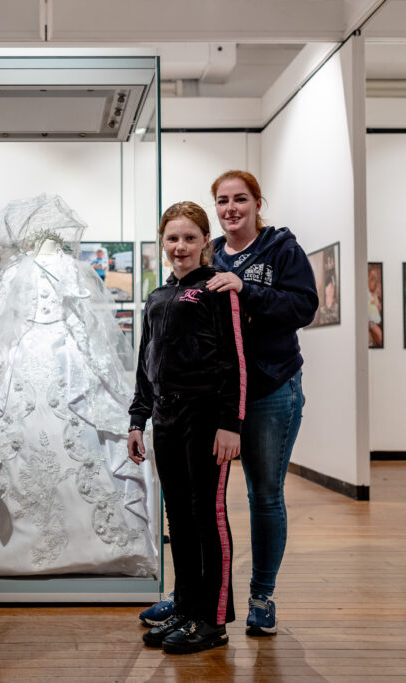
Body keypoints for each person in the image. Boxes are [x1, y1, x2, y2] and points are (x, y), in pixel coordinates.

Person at [143, 171, 318, 637]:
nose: (231, 207)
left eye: (241, 199)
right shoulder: (211, 253)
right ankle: (190, 598)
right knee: (187, 508)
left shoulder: (280, 250)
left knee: (261, 495)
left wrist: (246, 289)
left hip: (268, 387)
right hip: (206, 401)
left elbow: (304, 307)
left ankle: (260, 596)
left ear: (258, 203)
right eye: (223, 200)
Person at [0, 194, 158, 579]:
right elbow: (86, 327)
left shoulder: (17, 270)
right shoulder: (71, 268)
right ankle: (100, 549)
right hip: (64, 356)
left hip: (27, 356)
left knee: (18, 438)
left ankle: (0, 554)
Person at [128, 201, 246, 655]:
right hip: (166, 422)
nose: (180, 247)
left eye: (190, 238)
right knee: (178, 516)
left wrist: (230, 424)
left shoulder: (219, 291)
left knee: (208, 516)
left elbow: (234, 362)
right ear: (163, 244)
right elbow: (145, 365)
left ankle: (212, 621)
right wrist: (138, 419)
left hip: (206, 421)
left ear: (205, 243)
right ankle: (187, 605)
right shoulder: (157, 297)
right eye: (172, 239)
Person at [368, 266, 383, 347]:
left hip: (375, 320)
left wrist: (378, 304)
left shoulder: (374, 293)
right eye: (372, 280)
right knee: (379, 336)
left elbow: (378, 307)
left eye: (376, 280)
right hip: (370, 322)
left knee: (377, 339)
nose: (375, 282)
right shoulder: (367, 294)